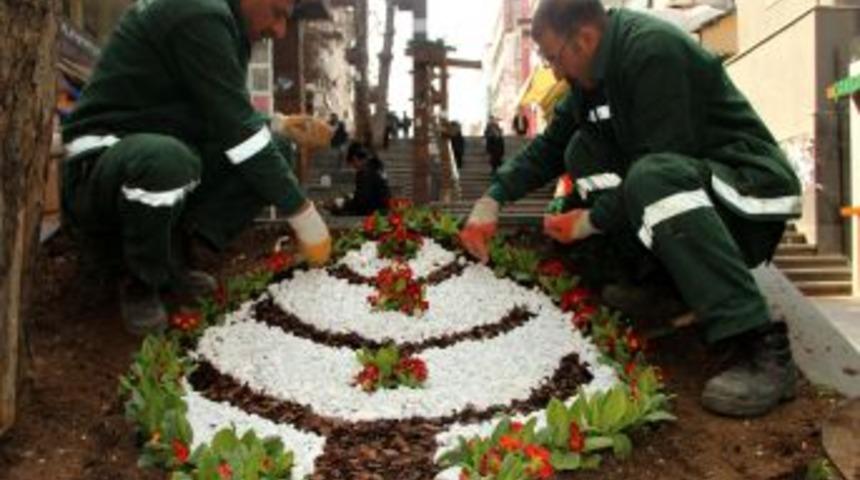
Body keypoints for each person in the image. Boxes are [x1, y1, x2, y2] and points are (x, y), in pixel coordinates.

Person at [459, 0, 802, 418]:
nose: (555, 72)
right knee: (581, 149)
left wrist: (588, 222)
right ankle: (662, 285)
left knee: (651, 177)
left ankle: (758, 342)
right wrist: (491, 200)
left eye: (553, 58)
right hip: (696, 189)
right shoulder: (591, 78)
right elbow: (548, 148)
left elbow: (662, 163)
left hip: (750, 195)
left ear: (584, 39)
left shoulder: (652, 52)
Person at [61, 0, 333, 335]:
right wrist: (304, 217)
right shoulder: (199, 12)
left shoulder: (228, 23)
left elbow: (217, 111)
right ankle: (139, 280)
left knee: (273, 146)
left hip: (160, 144)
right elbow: (238, 135)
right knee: (169, 162)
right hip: (102, 156)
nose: (279, 31)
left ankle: (174, 257)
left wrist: (278, 124)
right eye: (277, 13)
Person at [329, 142, 391, 216]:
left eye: (352, 164)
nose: (354, 168)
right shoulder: (376, 166)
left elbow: (362, 202)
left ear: (355, 159)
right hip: (383, 211)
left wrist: (343, 204)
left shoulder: (365, 172)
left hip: (372, 214)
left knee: (336, 211)